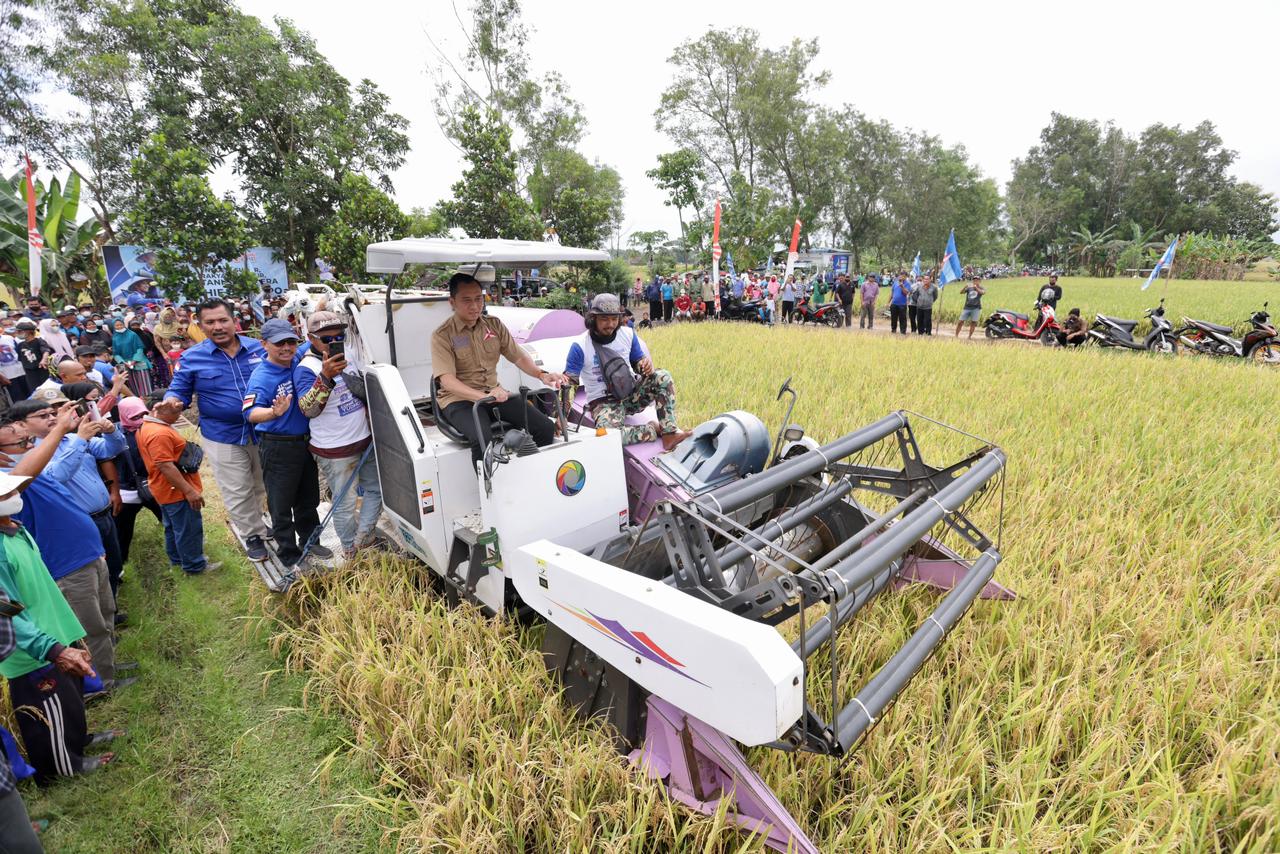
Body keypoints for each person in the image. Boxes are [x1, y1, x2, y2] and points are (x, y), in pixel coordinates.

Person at [0, 472, 119, 789]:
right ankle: (63, 766)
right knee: (47, 712)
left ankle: (78, 742)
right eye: (5, 493)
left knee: (69, 699)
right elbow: (6, 615)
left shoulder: (14, 530)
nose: (14, 495)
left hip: (53, 633)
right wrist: (52, 649)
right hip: (33, 651)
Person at [0, 408, 123, 692]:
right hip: (65, 564)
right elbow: (20, 482)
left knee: (104, 616)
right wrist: (61, 431)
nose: (28, 442)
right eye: (19, 440)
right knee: (89, 628)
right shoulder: (10, 477)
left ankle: (108, 669)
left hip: (85, 553)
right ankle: (98, 685)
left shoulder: (29, 459)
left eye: (26, 435)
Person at [165, 298, 270, 559]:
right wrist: (172, 403)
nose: (218, 326)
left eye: (223, 320)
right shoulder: (191, 358)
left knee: (261, 483)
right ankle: (253, 536)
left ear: (234, 321)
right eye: (210, 322)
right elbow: (178, 391)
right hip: (223, 435)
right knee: (237, 488)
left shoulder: (259, 349)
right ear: (200, 326)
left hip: (264, 430)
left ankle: (260, 523)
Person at [432, 273, 567, 464]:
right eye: (467, 300)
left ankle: (532, 473)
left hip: (494, 394)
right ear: (452, 302)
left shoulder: (493, 326)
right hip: (459, 400)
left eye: (478, 299)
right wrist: (484, 397)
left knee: (544, 427)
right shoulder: (442, 335)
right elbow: (447, 382)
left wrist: (542, 375)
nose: (475, 306)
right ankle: (488, 489)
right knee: (482, 439)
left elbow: (518, 356)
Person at [10, 395, 128, 605]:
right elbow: (57, 475)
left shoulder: (72, 439)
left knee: (112, 567)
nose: (52, 418)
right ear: (21, 424)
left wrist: (111, 432)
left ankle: (111, 612)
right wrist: (81, 439)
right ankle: (100, 625)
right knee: (86, 581)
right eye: (42, 415)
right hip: (79, 522)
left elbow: (112, 449)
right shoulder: (31, 454)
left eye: (53, 413)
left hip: (104, 516)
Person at [242, 319, 331, 567]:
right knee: (281, 504)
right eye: (279, 343)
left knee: (308, 498)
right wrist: (273, 413)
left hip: (304, 443)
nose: (286, 348)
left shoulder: (297, 361)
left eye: (291, 342)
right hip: (278, 446)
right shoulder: (262, 376)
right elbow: (249, 412)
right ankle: (289, 554)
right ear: (264, 344)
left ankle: (311, 541)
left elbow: (316, 339)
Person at [294, 312, 382, 560]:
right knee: (344, 503)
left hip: (364, 440)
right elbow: (308, 409)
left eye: (339, 337)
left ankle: (364, 537)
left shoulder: (350, 357)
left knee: (376, 491)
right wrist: (325, 377)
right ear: (311, 338)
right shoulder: (306, 369)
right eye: (327, 339)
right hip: (333, 450)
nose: (334, 342)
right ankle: (350, 549)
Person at [564, 294, 691, 449]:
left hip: (630, 394)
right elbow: (568, 384)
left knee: (662, 376)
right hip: (604, 403)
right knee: (607, 437)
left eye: (614, 319)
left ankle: (669, 433)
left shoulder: (628, 334)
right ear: (593, 319)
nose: (610, 324)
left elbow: (639, 362)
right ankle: (652, 429)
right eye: (604, 319)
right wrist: (561, 416)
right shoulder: (580, 346)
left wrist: (645, 366)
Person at [137, 396, 220, 574]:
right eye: (176, 410)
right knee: (188, 528)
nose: (180, 414)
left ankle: (177, 560)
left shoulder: (149, 426)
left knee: (173, 527)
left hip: (164, 489)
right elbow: (165, 465)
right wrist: (189, 491)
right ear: (160, 408)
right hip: (175, 491)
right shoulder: (159, 433)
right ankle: (194, 566)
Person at [111, 398, 162, 564]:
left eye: (143, 414)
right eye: (134, 417)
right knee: (122, 532)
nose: (140, 420)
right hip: (127, 491)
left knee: (171, 521)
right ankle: (120, 566)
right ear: (124, 416)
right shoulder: (114, 435)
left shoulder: (152, 429)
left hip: (153, 486)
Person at [14, 320, 53, 393]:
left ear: (28, 332)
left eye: (20, 331)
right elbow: (21, 359)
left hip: (42, 370)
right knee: (35, 391)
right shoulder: (20, 345)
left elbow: (46, 350)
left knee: (48, 389)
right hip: (30, 373)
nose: (17, 334)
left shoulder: (39, 341)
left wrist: (44, 360)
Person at [0, 319, 28, 404]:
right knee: (18, 400)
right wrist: (1, 377)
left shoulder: (9, 338)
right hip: (7, 376)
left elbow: (20, 353)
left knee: (29, 394)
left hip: (21, 372)